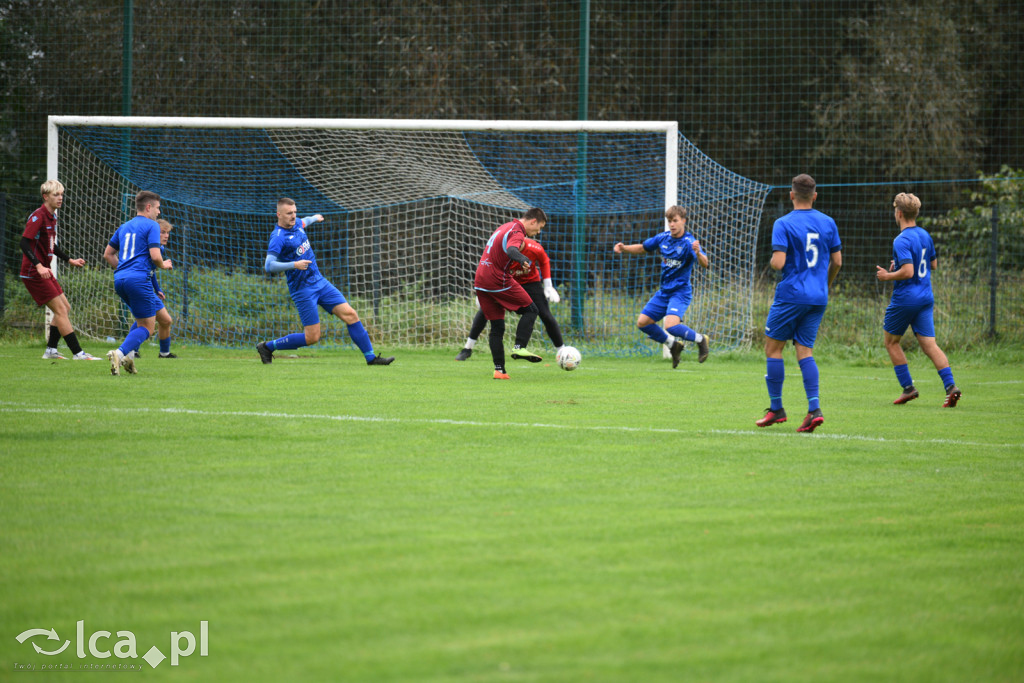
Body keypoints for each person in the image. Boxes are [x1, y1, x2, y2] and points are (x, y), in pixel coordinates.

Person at [255, 198, 394, 366]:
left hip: (320, 282)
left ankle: (371, 358)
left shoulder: (297, 223)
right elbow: (269, 265)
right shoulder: (278, 237)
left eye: (295, 212)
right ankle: (267, 347)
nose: (293, 216)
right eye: (289, 213)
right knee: (312, 337)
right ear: (279, 215)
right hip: (302, 289)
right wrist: (294, 265)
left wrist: (315, 217)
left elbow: (305, 221)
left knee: (351, 315)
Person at [756, 174, 842, 432]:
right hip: (818, 297)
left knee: (773, 350)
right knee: (805, 351)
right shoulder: (828, 222)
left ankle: (776, 409)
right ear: (815, 196)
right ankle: (814, 409)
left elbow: (779, 263)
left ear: (791, 195)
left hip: (792, 295)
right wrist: (825, 285)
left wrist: (772, 261)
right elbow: (837, 262)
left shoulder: (783, 223)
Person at [875, 193, 961, 407]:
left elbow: (908, 272)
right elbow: (933, 265)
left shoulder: (901, 239)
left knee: (891, 342)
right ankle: (951, 387)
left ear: (899, 213)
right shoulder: (924, 235)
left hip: (906, 299)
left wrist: (888, 275)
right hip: (925, 297)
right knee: (930, 345)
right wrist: (901, 267)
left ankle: (908, 388)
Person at [613, 205, 710, 368]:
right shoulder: (663, 238)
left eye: (675, 221)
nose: (672, 224)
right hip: (664, 292)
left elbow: (705, 264)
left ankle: (701, 340)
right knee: (642, 323)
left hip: (680, 292)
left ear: (683, 221)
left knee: (670, 325)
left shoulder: (689, 242)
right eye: (670, 221)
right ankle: (673, 345)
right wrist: (624, 248)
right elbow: (643, 248)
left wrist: (699, 253)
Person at [20, 179, 101, 361]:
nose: (60, 198)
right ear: (45, 197)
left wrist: (69, 259)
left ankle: (51, 350)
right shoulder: (38, 216)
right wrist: (38, 265)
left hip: (45, 269)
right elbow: (24, 242)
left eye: (61, 194)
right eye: (56, 195)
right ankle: (78, 353)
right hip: (34, 272)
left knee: (65, 307)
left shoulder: (52, 216)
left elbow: (50, 245)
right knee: (61, 311)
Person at [456, 235, 564, 361]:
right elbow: (488, 266)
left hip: (531, 283)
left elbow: (544, 261)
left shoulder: (534, 248)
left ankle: (562, 352)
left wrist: (548, 285)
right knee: (485, 312)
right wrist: (481, 291)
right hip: (506, 283)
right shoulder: (502, 251)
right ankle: (467, 348)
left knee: (545, 314)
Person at [102, 191, 173, 375]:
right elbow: (155, 256)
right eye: (157, 208)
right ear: (148, 207)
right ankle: (119, 353)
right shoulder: (152, 226)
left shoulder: (124, 226)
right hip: (139, 280)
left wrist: (124, 269)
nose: (159, 212)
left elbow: (108, 254)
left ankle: (129, 359)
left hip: (120, 280)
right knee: (147, 328)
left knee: (142, 320)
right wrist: (163, 265)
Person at [473, 208, 548, 379]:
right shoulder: (517, 231)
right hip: (496, 278)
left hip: (481, 279)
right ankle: (519, 347)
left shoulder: (504, 226)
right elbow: (511, 250)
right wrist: (524, 259)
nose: (537, 232)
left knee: (497, 326)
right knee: (531, 310)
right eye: (539, 227)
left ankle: (499, 370)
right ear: (533, 221)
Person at [129, 218, 177, 359]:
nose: (166, 235)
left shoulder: (159, 248)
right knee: (145, 321)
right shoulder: (150, 249)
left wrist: (158, 289)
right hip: (141, 286)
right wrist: (163, 264)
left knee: (165, 320)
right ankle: (132, 350)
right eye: (163, 232)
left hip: (147, 287)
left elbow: (152, 271)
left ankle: (163, 353)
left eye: (167, 232)